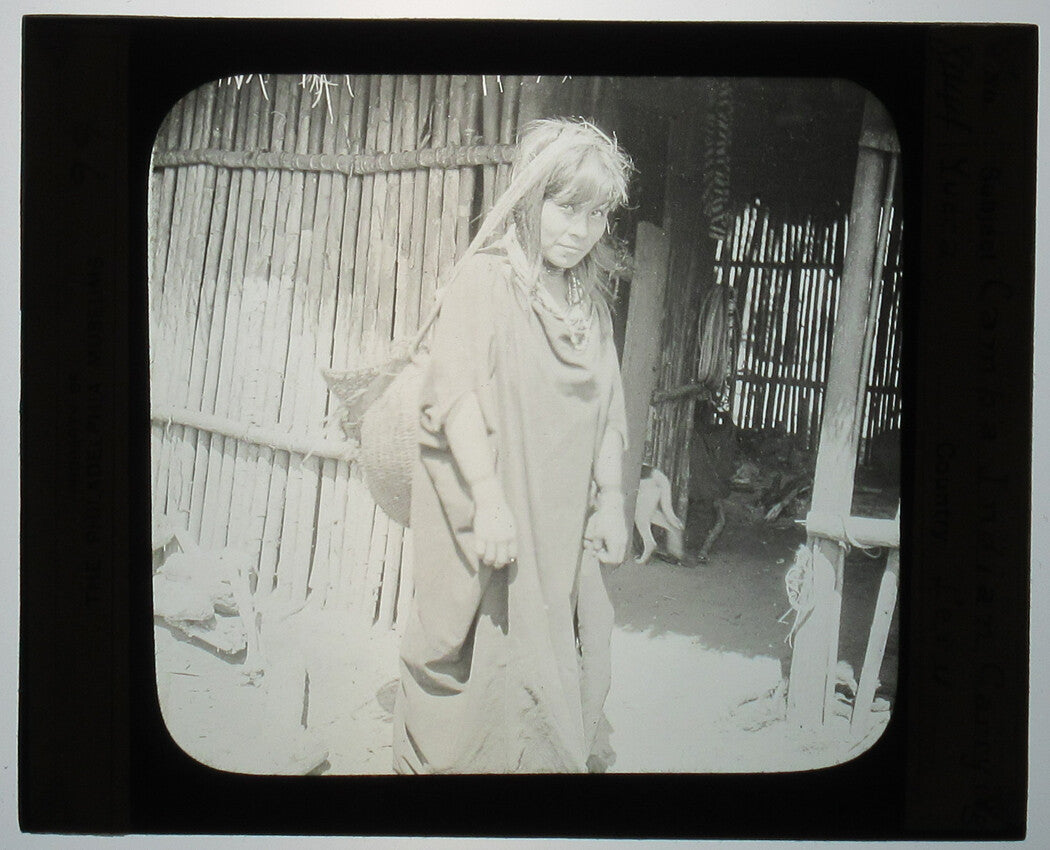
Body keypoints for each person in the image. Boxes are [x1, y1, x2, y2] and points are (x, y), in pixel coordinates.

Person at [393, 118, 633, 774]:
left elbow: (608, 407)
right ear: (528, 198)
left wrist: (612, 499)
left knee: (564, 649)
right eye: (565, 207)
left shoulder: (592, 305)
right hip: (491, 507)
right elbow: (457, 394)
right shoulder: (487, 282)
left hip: (560, 525)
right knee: (470, 648)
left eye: (596, 215)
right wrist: (492, 501)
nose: (578, 230)